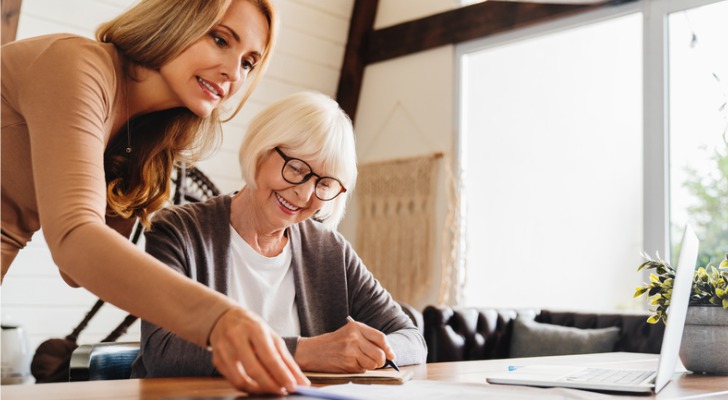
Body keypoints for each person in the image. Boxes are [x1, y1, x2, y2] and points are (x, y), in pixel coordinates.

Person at [1, 0, 309, 394]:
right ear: (176, 19)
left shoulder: (143, 138)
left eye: (249, 62)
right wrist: (220, 318)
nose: (233, 73)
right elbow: (74, 243)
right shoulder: (77, 65)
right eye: (220, 39)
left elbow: (76, 273)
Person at [130, 91, 427, 378]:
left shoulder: (328, 249)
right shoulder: (179, 231)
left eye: (324, 184)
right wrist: (305, 351)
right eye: (296, 168)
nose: (305, 192)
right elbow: (162, 351)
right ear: (261, 150)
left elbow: (412, 340)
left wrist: (364, 351)